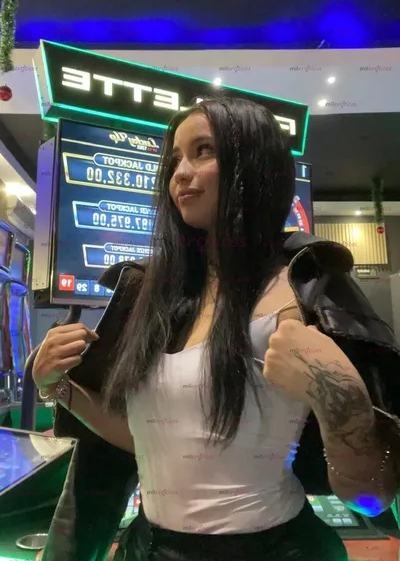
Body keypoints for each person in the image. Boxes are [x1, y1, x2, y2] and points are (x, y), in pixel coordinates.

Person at [33, 98, 400, 561]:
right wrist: (57, 387)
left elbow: (371, 497)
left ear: (255, 164)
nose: (180, 174)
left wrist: (339, 392)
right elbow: (149, 442)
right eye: (174, 160)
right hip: (150, 549)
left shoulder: (304, 289)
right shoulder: (154, 295)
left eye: (203, 151)